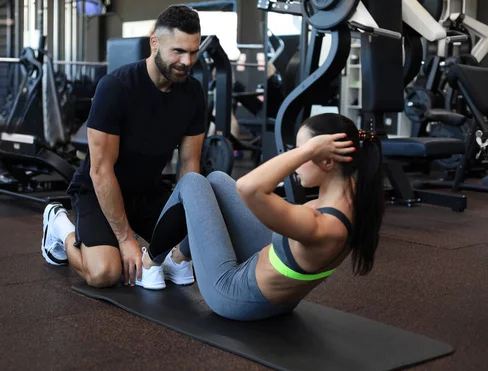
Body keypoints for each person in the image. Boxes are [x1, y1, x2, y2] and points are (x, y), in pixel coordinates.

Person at [142, 113, 385, 321]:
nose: (297, 159)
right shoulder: (354, 196)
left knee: (192, 182)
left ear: (328, 160)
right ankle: (178, 261)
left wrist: (310, 149)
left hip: (235, 295)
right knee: (216, 180)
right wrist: (310, 151)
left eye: (301, 153)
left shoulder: (323, 224)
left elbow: (249, 187)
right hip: (276, 291)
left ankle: (150, 263)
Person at [40, 5, 206, 289]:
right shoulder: (116, 88)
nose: (187, 61)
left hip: (148, 191)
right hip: (98, 190)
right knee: (106, 272)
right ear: (155, 42)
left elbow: (190, 169)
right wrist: (126, 239)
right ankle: (59, 227)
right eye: (178, 51)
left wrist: (184, 233)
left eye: (193, 52)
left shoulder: (193, 93)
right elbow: (100, 170)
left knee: (202, 247)